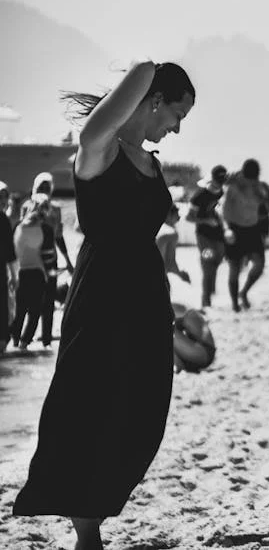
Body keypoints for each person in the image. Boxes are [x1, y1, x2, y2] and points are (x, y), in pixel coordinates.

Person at [13, 61, 195, 549]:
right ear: (154, 100)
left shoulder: (150, 162)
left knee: (142, 405)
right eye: (177, 112)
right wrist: (152, 70)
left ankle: (96, 511)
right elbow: (140, 76)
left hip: (145, 291)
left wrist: (170, 312)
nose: (177, 127)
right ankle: (86, 529)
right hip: (101, 291)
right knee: (89, 400)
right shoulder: (98, 150)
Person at [221, 159, 269, 312]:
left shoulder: (259, 186)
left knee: (259, 264)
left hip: (252, 229)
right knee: (234, 269)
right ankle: (234, 304)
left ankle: (243, 292)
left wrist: (263, 197)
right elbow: (223, 211)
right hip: (235, 229)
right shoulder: (233, 186)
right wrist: (226, 229)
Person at [31, 172, 75, 344]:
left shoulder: (55, 209)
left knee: (49, 298)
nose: (44, 190)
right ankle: (26, 334)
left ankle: (46, 339)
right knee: (32, 298)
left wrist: (68, 261)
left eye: (47, 187)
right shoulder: (28, 206)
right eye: (41, 187)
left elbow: (59, 236)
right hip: (31, 260)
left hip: (51, 260)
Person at [10, 196, 53, 350]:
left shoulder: (17, 227)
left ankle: (14, 342)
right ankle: (24, 343)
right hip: (37, 273)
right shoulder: (44, 229)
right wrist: (51, 274)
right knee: (34, 312)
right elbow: (48, 255)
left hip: (20, 272)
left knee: (19, 310)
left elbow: (12, 253)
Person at [186, 165, 227, 308]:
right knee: (208, 265)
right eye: (219, 179)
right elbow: (188, 218)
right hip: (204, 235)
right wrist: (206, 221)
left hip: (219, 235)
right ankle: (206, 300)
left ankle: (211, 290)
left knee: (217, 261)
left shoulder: (222, 192)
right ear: (213, 178)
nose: (221, 182)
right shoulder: (199, 196)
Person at [156, 204, 190, 284]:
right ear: (168, 215)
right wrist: (180, 274)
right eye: (177, 215)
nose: (178, 218)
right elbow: (170, 262)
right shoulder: (171, 233)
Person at [0, 182, 16, 353]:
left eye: (5, 197)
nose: (3, 201)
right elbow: (9, 250)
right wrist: (13, 273)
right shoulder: (3, 220)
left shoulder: (4, 220)